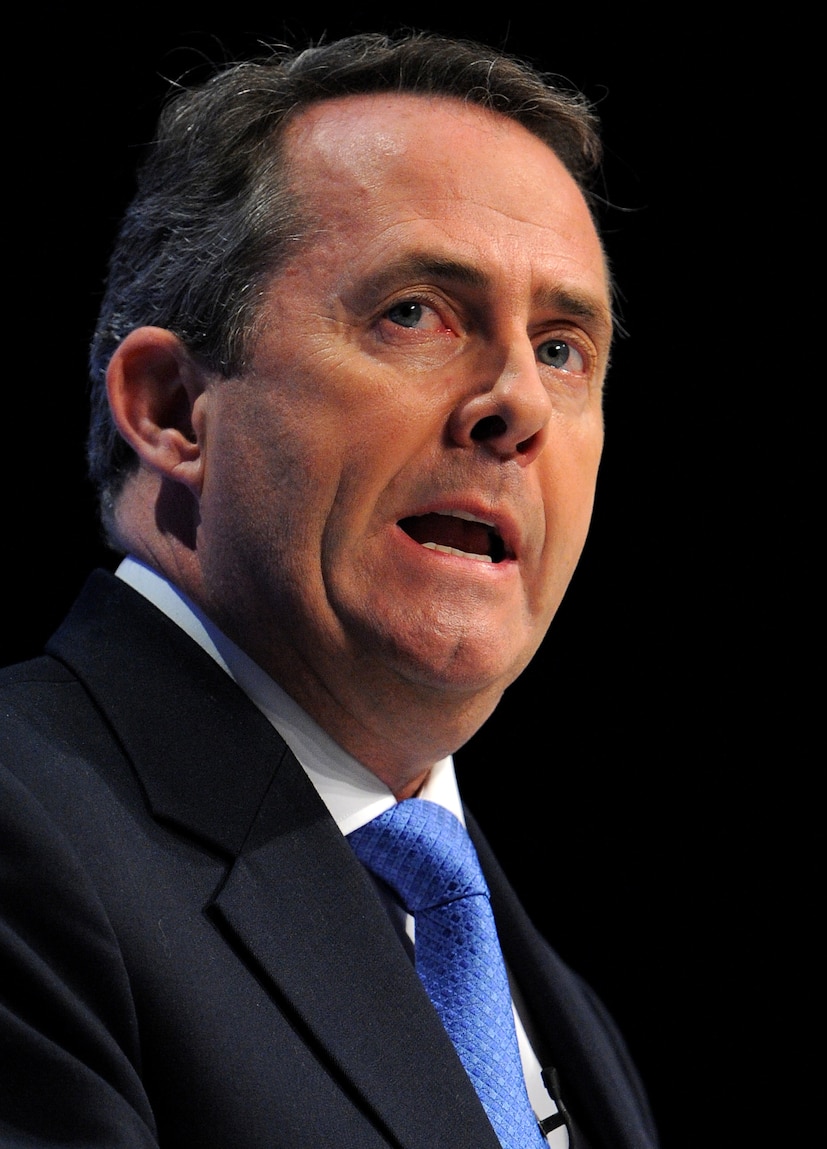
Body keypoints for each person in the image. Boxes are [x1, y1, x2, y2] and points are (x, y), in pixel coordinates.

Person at [0, 31, 658, 1149]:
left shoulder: (539, 989)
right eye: (415, 312)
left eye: (561, 347)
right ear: (170, 409)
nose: (517, 405)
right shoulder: (25, 834)